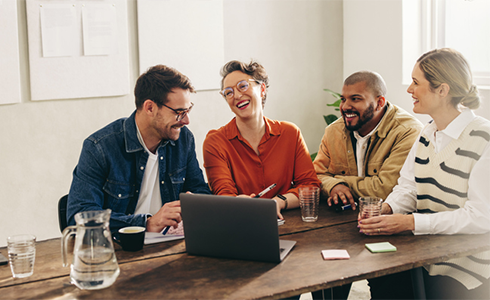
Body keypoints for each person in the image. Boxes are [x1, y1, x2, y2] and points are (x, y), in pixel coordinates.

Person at [359, 48, 490, 299]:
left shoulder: (483, 138)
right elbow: (408, 187)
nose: (409, 89)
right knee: (381, 280)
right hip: (424, 252)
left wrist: (411, 222)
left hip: (466, 267)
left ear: (442, 90)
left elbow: (482, 216)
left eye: (416, 83)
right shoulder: (426, 133)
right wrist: (387, 209)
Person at [312, 71, 423, 300]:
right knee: (323, 280)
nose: (345, 106)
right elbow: (315, 175)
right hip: (340, 226)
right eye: (343, 99)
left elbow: (384, 188)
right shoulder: (334, 131)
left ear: (379, 102)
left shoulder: (407, 131)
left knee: (390, 290)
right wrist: (332, 186)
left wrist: (339, 182)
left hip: (391, 227)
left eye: (356, 99)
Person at [67, 65, 211, 235]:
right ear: (150, 108)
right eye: (179, 112)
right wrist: (147, 223)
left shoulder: (183, 139)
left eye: (188, 110)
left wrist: (195, 205)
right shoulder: (99, 147)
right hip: (121, 250)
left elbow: (199, 190)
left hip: (170, 245)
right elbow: (79, 217)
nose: (186, 120)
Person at [203, 60, 320, 220]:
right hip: (241, 223)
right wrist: (236, 202)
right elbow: (224, 196)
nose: (236, 96)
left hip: (290, 224)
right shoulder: (215, 142)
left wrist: (279, 202)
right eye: (228, 92)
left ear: (262, 89)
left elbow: (309, 186)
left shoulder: (290, 133)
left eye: (243, 86)